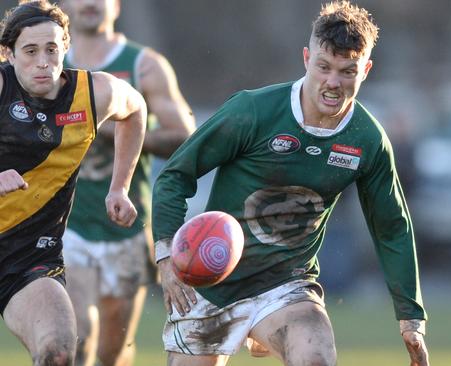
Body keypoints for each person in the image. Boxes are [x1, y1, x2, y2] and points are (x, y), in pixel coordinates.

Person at [152, 1, 429, 365]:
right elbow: (176, 174)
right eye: (324, 66)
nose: (333, 82)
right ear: (306, 58)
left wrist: (411, 316)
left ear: (367, 70)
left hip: (287, 286)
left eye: (348, 71)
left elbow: (391, 226)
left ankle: (270, 328)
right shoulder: (253, 111)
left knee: (315, 356)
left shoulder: (368, 140)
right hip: (211, 282)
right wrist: (166, 256)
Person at [0, 1, 146, 365]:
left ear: (66, 44)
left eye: (52, 49)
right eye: (30, 51)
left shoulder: (94, 93)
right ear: (8, 54)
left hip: (28, 257)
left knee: (60, 351)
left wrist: (120, 187)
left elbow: (136, 109)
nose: (43, 61)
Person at [58, 0, 195, 365]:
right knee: (78, 338)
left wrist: (118, 133)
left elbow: (185, 136)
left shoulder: (144, 65)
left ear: (116, 5)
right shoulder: (49, 63)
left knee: (111, 351)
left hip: (127, 225)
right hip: (66, 224)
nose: (89, 3)